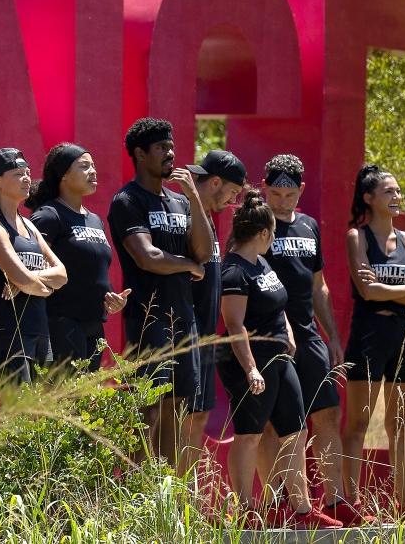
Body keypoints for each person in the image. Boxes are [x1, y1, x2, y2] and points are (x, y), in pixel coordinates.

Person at [257, 154, 374, 526]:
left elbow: (318, 286)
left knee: (327, 414)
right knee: (276, 422)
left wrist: (333, 337)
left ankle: (336, 500)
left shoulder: (309, 227)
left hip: (308, 336)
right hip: (271, 334)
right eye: (274, 193)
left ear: (301, 191)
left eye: (288, 195)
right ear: (264, 189)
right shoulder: (257, 225)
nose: (281, 202)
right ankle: (278, 504)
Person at [217, 190, 342, 530]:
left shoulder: (262, 261)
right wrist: (251, 368)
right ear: (263, 234)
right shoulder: (234, 271)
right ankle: (246, 511)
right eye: (273, 232)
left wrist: (287, 329)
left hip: (281, 358)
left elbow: (278, 301)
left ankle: (301, 510)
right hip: (251, 362)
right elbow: (233, 324)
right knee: (251, 434)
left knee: (296, 430)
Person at [107, 117, 212, 469]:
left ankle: (164, 502)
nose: (170, 153)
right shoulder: (127, 200)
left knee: (177, 412)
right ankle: (138, 499)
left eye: (171, 146)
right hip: (148, 320)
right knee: (147, 412)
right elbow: (147, 257)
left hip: (184, 319)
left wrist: (195, 197)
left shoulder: (180, 202)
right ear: (139, 154)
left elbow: (204, 253)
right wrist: (187, 265)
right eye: (160, 148)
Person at [341, 165, 405, 524]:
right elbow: (367, 291)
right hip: (367, 336)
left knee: (399, 425)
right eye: (388, 192)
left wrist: (391, 291)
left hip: (402, 338)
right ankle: (350, 503)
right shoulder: (358, 237)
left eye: (398, 191)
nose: (396, 197)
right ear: (369, 198)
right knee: (357, 425)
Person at [24, 143, 130, 372]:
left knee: (84, 405)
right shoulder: (48, 216)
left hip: (93, 327)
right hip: (60, 324)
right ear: (63, 175)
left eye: (93, 166)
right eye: (84, 166)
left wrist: (110, 299)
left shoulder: (95, 220)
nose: (93, 171)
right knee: (64, 403)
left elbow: (91, 269)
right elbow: (28, 266)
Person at [0, 148, 67, 383]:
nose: (27, 178)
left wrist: (29, 280)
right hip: (7, 331)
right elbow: (23, 278)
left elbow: (62, 274)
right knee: (16, 414)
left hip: (39, 328)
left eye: (27, 172)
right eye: (17, 174)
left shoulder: (29, 225)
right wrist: (39, 285)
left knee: (42, 413)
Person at [186, 150, 246, 476]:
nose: (232, 201)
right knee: (182, 416)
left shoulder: (207, 217)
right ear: (215, 182)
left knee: (199, 415)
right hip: (186, 332)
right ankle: (168, 502)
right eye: (232, 193)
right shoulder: (187, 212)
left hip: (207, 334)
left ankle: (184, 506)